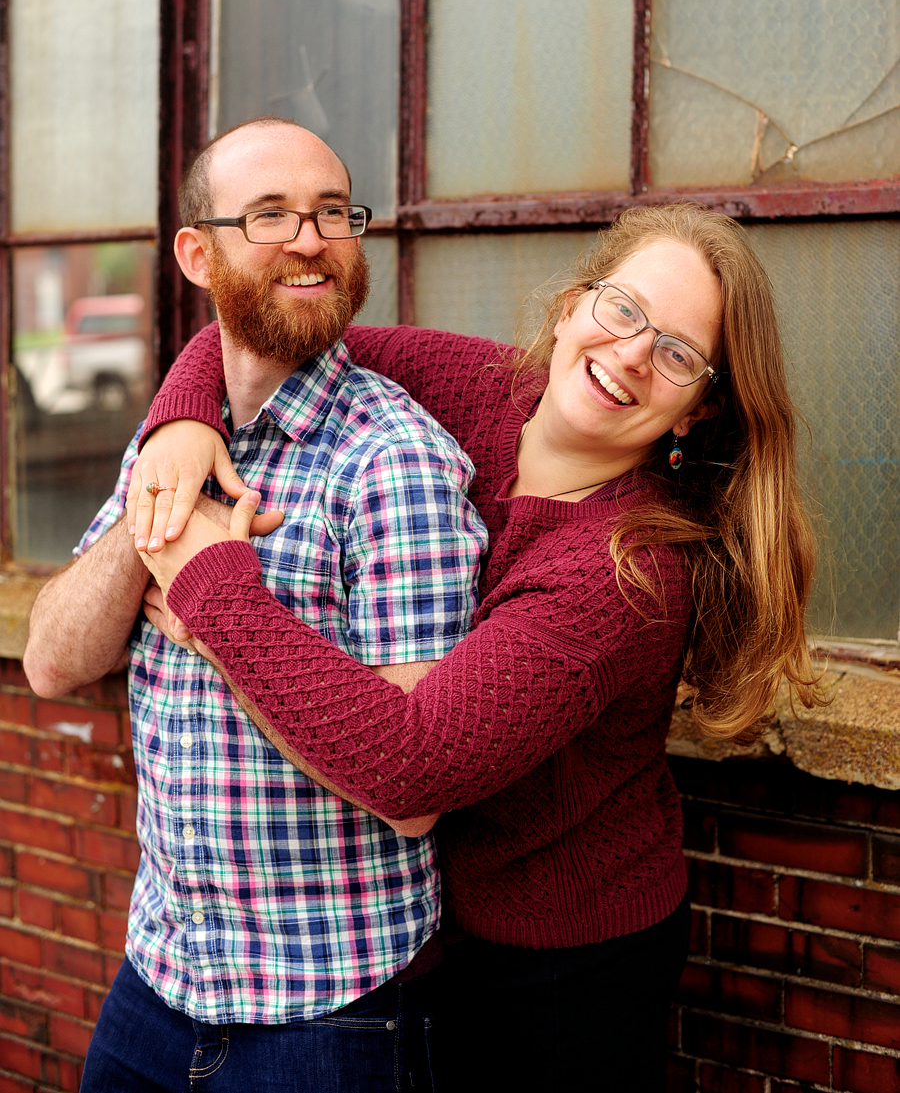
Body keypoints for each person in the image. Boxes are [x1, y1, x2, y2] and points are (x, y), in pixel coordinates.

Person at [129, 202, 823, 1092]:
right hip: (435, 931)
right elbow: (269, 335)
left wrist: (212, 589)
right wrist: (187, 421)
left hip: (565, 966)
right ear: (572, 307)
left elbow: (408, 764)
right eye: (622, 310)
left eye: (679, 354)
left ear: (699, 408)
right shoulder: (480, 386)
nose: (633, 355)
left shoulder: (627, 572)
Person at [23, 119, 487, 1093]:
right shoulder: (175, 440)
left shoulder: (394, 462)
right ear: (198, 254)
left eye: (330, 212)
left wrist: (214, 603)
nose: (310, 239)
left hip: (328, 1015)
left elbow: (416, 788)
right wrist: (152, 527)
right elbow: (54, 662)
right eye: (268, 215)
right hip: (159, 976)